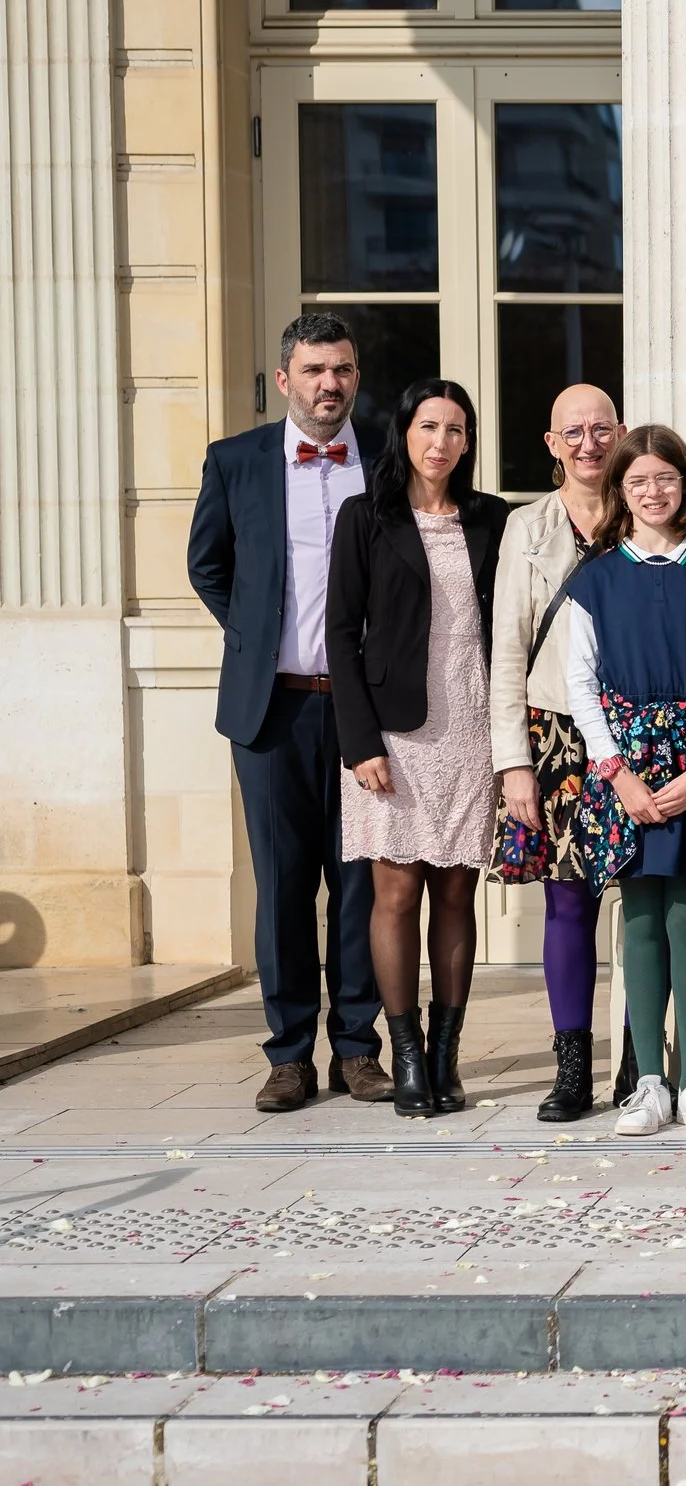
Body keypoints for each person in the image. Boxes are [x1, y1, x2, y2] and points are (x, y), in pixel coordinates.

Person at [185, 312, 388, 1114]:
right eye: (313, 371)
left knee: (361, 886)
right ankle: (288, 1055)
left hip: (367, 715)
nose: (328, 384)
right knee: (282, 887)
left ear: (355, 378)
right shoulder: (235, 461)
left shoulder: (384, 465)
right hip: (271, 711)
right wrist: (256, 632)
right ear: (284, 380)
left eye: (341, 370)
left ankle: (359, 1050)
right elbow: (208, 564)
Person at [327, 380, 509, 1116]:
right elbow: (340, 634)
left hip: (471, 721)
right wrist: (359, 742)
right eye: (428, 426)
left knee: (456, 891)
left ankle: (445, 1054)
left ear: (469, 441)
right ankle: (402, 1054)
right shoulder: (365, 516)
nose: (441, 441)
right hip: (393, 734)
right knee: (396, 891)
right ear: (404, 432)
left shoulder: (492, 518)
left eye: (456, 429)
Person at [564, 425, 686, 1138]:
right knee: (638, 915)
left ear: (685, 484)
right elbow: (581, 685)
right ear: (620, 491)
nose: (652, 491)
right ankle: (648, 1083)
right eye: (637, 481)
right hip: (626, 769)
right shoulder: (596, 580)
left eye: (665, 478)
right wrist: (618, 774)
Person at [489, 382, 619, 1122]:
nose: (588, 443)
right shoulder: (525, 527)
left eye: (600, 429)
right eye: (573, 432)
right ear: (550, 444)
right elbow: (506, 649)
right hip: (557, 733)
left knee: (645, 902)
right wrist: (513, 762)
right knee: (567, 902)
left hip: (636, 732)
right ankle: (573, 1067)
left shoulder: (644, 510)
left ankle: (638, 1064)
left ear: (620, 431)